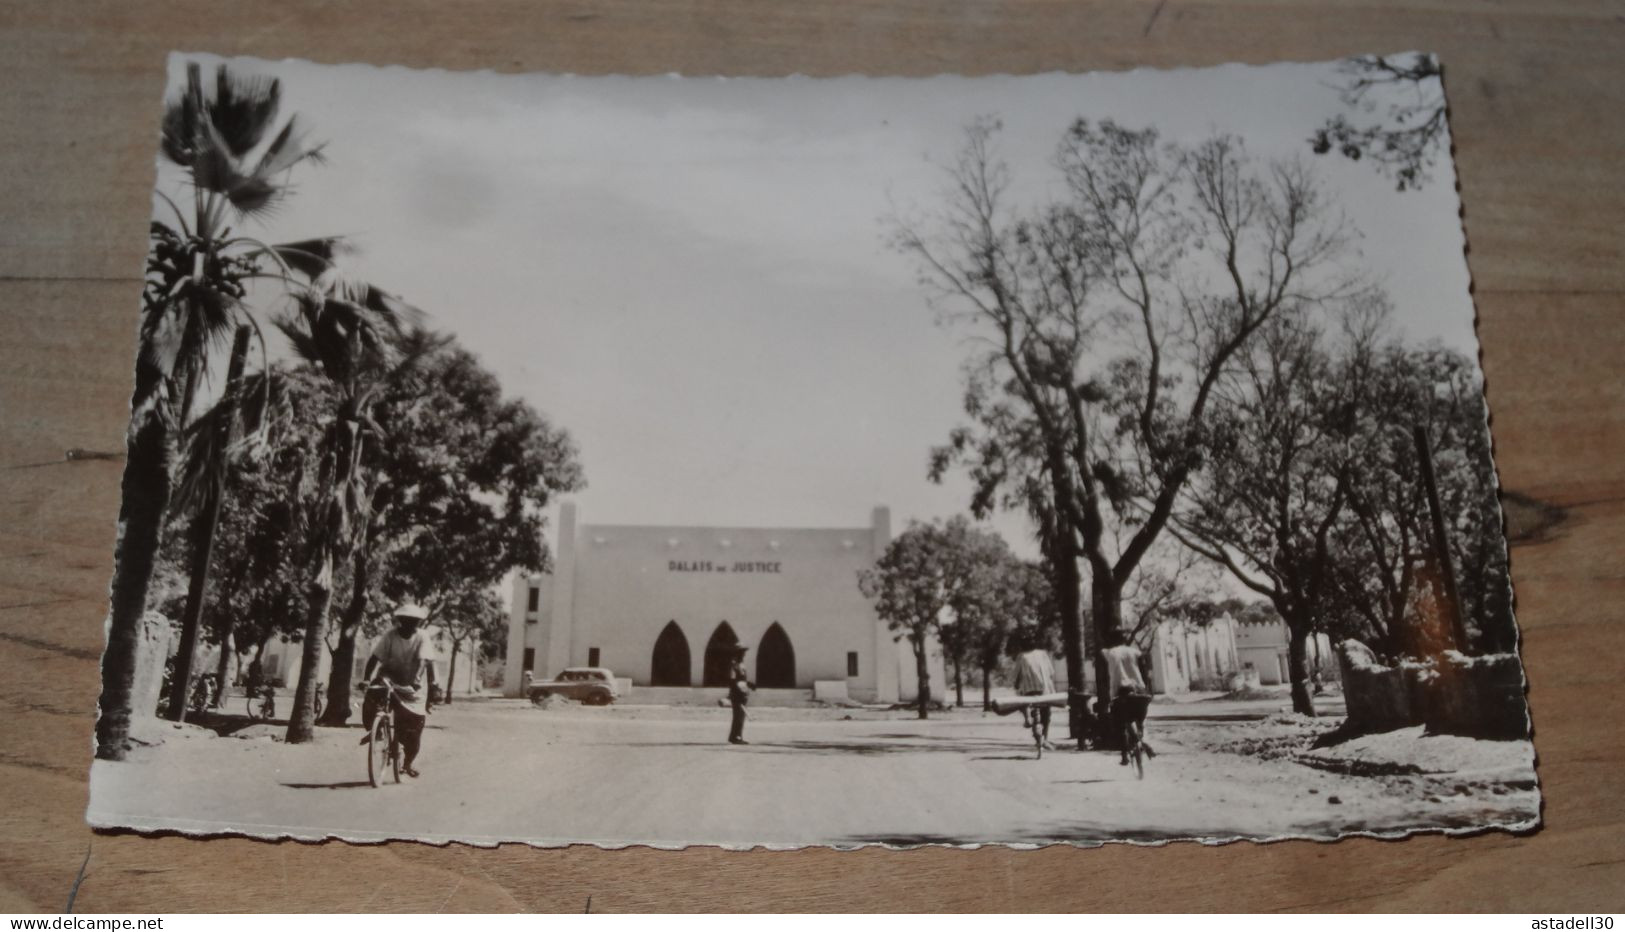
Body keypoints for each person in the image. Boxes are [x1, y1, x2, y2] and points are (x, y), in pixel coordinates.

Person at [361, 603, 437, 777]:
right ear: (400, 621)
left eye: (414, 621)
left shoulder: (422, 637)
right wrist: (366, 679)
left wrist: (417, 679)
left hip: (412, 684)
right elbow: (375, 658)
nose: (409, 624)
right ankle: (377, 731)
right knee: (372, 695)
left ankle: (408, 763)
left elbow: (424, 661)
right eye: (405, 620)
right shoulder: (390, 636)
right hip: (390, 677)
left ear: (418, 623)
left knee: (413, 731)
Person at [1102, 628, 1155, 766]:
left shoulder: (1110, 652)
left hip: (1122, 691)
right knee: (1141, 719)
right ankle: (1144, 739)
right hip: (1139, 690)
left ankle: (1125, 755)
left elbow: (1104, 654)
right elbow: (1145, 658)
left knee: (1120, 723)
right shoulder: (1134, 651)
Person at [1011, 635, 1057, 749]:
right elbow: (1051, 672)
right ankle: (1044, 739)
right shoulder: (1043, 654)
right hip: (1044, 691)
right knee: (1046, 714)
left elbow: (1015, 676)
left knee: (1023, 702)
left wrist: (1016, 685)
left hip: (1029, 691)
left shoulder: (1021, 657)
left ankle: (1027, 717)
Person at [727, 645, 753, 745]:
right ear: (737, 653)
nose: (743, 654)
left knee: (740, 716)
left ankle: (736, 736)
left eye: (743, 652)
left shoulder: (741, 664)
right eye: (741, 652)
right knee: (738, 716)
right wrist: (736, 691)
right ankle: (736, 737)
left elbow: (742, 679)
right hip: (737, 693)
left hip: (743, 692)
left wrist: (749, 685)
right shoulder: (734, 665)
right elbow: (732, 680)